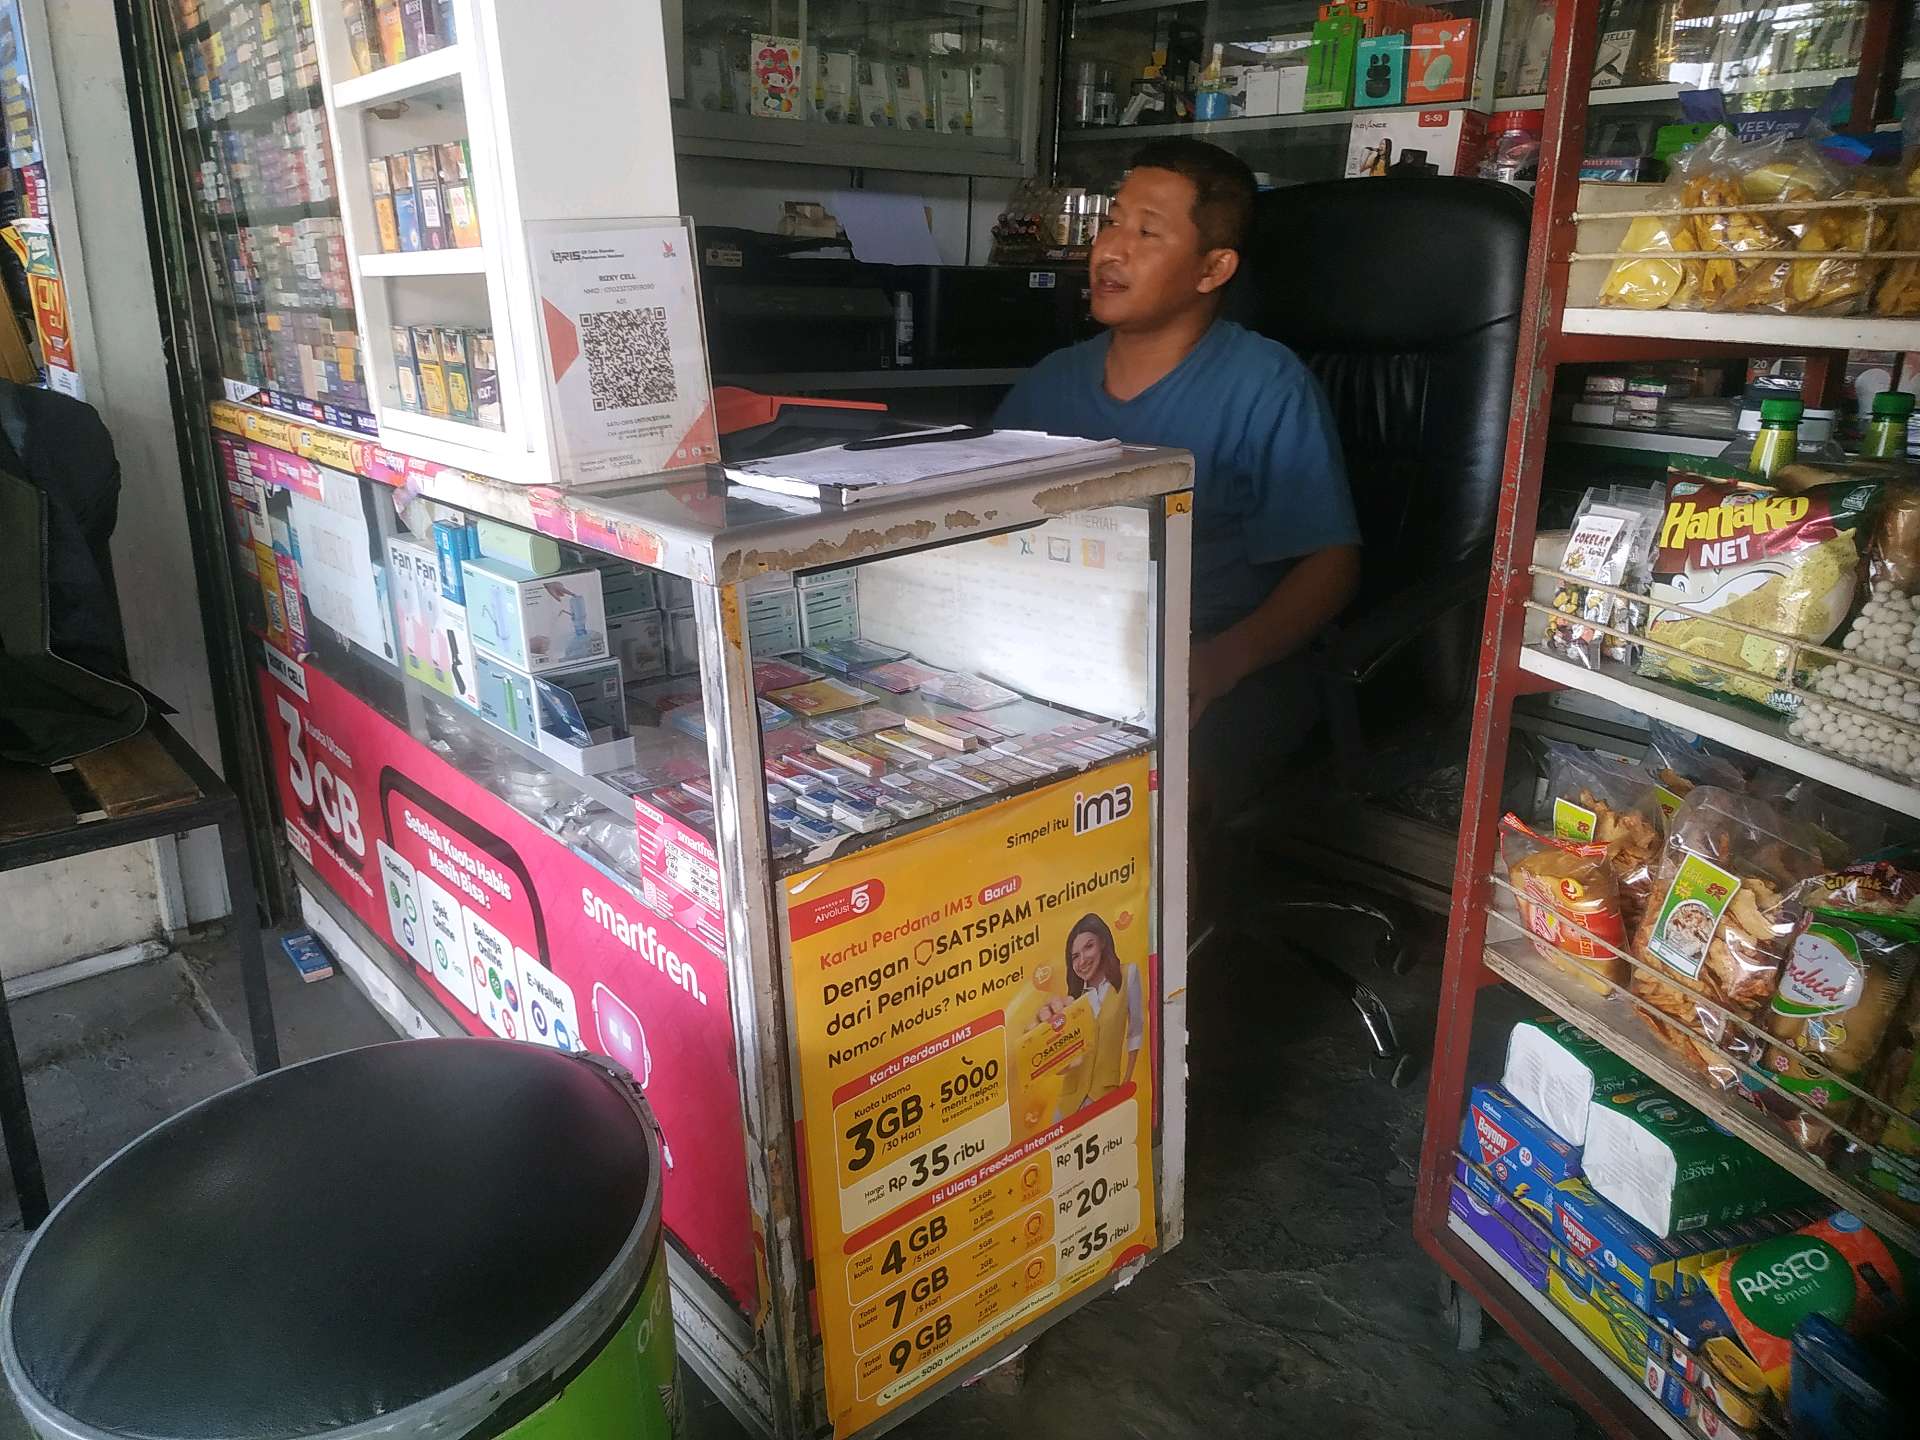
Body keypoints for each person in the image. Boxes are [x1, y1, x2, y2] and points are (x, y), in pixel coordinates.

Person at [994, 139, 1360, 806]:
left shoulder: (1264, 385)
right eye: (1111, 222)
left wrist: (1220, 662)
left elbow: (1331, 565)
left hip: (1212, 657)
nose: (1110, 250)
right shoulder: (1052, 381)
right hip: (1067, 650)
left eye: (1146, 232)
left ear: (1213, 268)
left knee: (1137, 797)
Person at [1039, 913, 1143, 1109]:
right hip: (1070, 1098)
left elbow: (1135, 1032)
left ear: (1102, 942)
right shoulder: (1073, 1000)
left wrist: (1127, 1081)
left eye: (1088, 947)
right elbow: (1062, 1062)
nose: (1082, 961)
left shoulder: (1128, 974)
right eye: (1075, 956)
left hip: (1105, 1093)